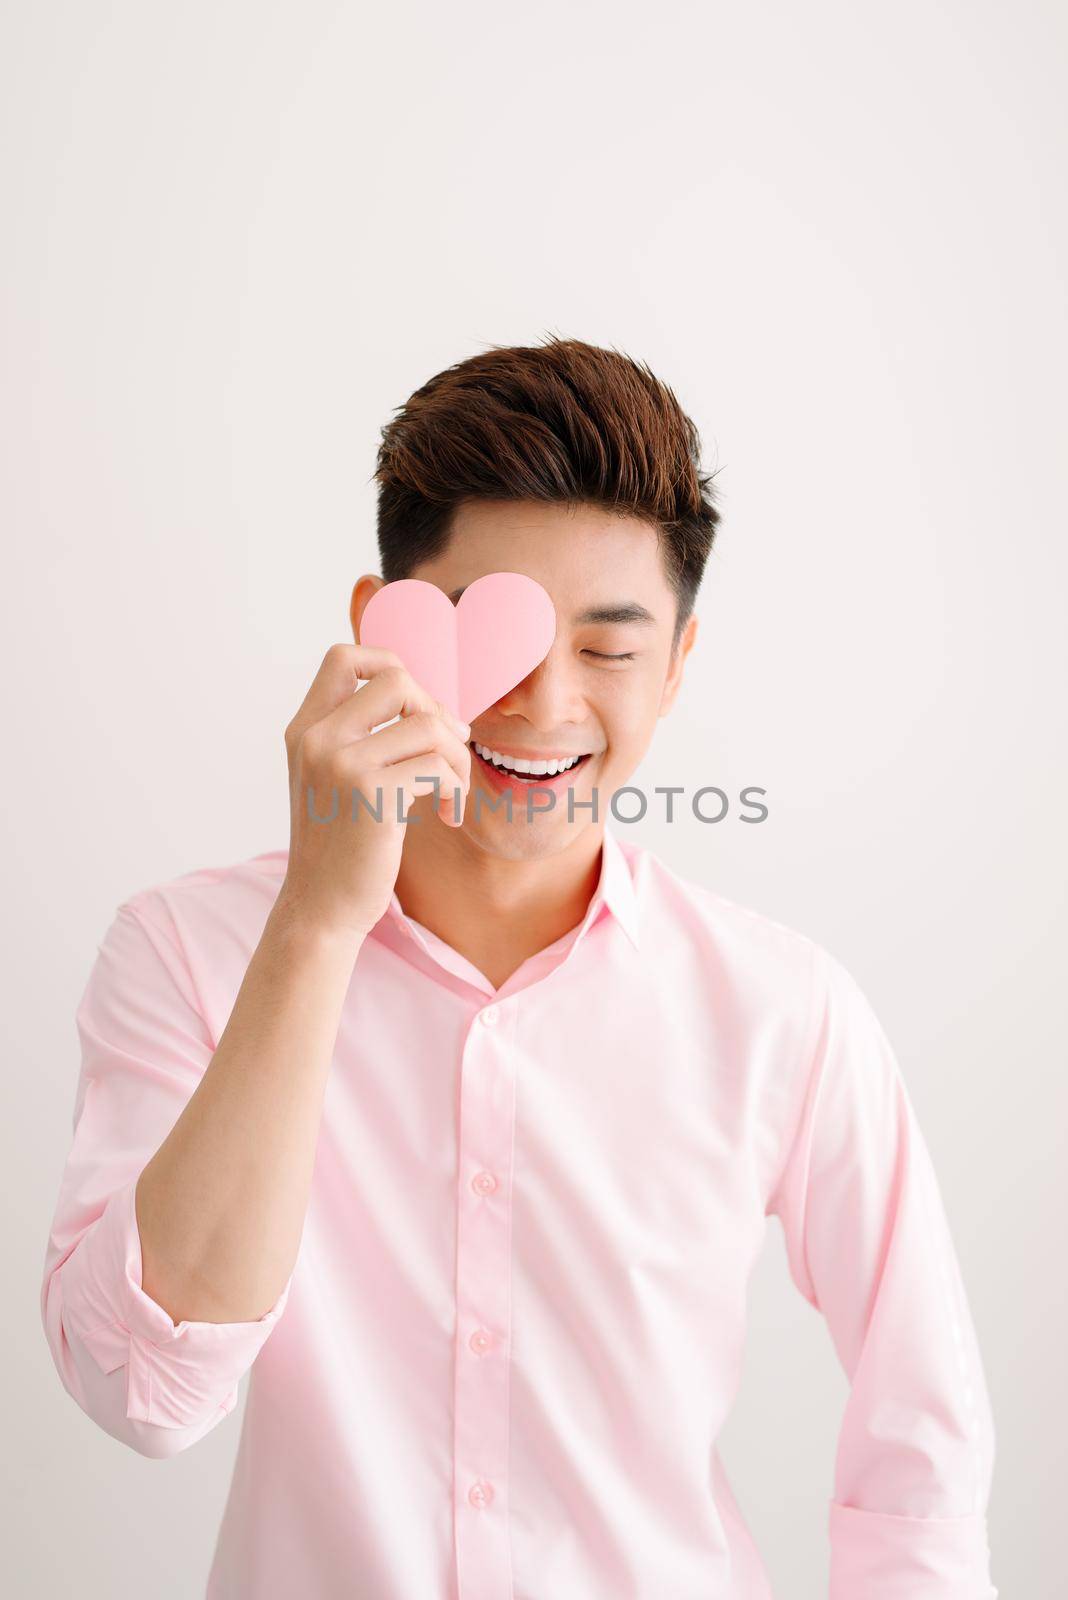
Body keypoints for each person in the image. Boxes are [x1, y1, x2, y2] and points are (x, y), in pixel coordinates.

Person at [40, 336, 997, 1598]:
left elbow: (921, 1447)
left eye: (608, 651)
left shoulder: (785, 1012)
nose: (543, 709)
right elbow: (145, 1392)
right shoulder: (187, 954)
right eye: (495, 641)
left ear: (677, 666)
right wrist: (321, 924)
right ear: (377, 632)